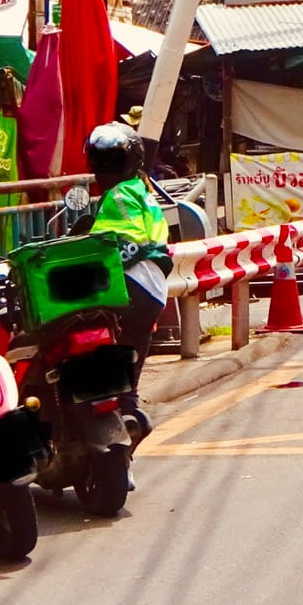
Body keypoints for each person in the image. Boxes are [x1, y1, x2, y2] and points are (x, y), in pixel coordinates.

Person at [78, 122, 172, 424]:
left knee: (73, 326)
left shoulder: (118, 197)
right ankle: (128, 406)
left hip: (132, 281)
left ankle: (91, 401)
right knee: (133, 340)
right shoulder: (140, 190)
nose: (103, 168)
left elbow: (119, 247)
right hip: (155, 289)